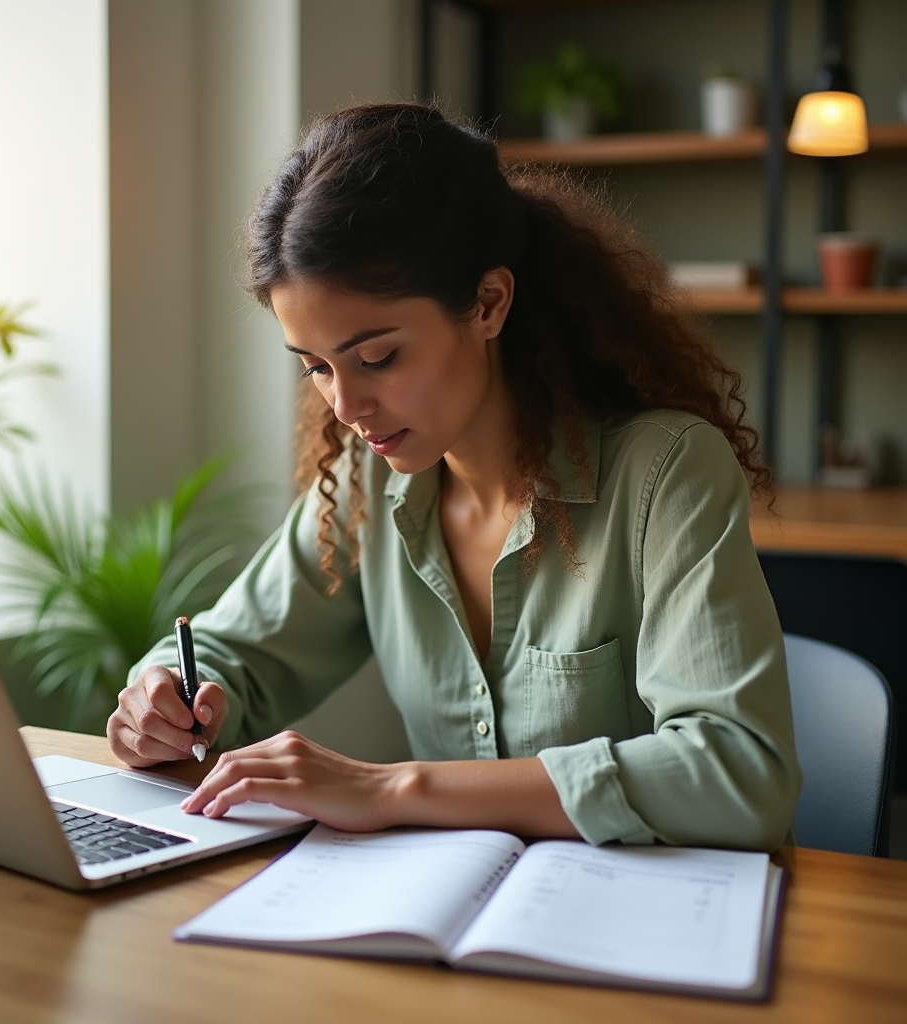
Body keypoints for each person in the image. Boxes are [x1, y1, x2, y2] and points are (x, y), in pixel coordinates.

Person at [107, 102, 800, 850]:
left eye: (378, 358)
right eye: (316, 368)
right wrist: (161, 700)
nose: (346, 407)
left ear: (488, 303)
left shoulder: (666, 473)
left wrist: (391, 788)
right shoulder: (365, 485)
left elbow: (740, 773)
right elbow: (234, 651)